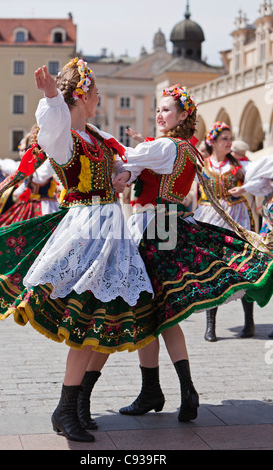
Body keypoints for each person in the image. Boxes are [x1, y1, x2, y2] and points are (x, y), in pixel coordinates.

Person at [0, 58, 156, 442]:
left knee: (107, 317)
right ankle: (65, 407)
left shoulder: (97, 137)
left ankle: (77, 403)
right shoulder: (64, 138)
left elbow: (125, 163)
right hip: (86, 230)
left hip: (111, 232)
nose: (99, 98)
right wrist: (52, 96)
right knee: (86, 318)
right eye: (94, 92)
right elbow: (52, 126)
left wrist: (123, 174)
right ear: (82, 95)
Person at [86, 85, 273, 424]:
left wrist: (90, 133)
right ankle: (176, 391)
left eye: (167, 110)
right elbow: (139, 165)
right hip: (169, 227)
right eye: (159, 109)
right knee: (160, 313)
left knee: (129, 307)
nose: (160, 115)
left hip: (151, 229)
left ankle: (93, 393)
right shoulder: (184, 148)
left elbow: (127, 156)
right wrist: (132, 167)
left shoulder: (166, 146)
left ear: (184, 115)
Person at [194, 122, 256, 341]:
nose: (229, 143)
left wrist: (245, 188)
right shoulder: (202, 165)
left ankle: (249, 323)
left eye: (230, 138)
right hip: (209, 221)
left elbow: (262, 180)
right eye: (225, 139)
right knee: (214, 271)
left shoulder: (241, 165)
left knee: (243, 268)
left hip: (236, 220)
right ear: (213, 142)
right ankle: (211, 326)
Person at [229, 154, 273, 338]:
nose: (267, 181)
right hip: (266, 240)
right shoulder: (268, 191)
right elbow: (256, 176)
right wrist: (244, 188)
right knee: (254, 275)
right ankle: (249, 323)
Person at [0, 125, 60, 229]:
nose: (23, 153)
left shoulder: (43, 166)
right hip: (27, 205)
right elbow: (20, 187)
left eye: (25, 150)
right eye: (21, 150)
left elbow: (36, 175)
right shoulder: (29, 167)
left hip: (45, 207)